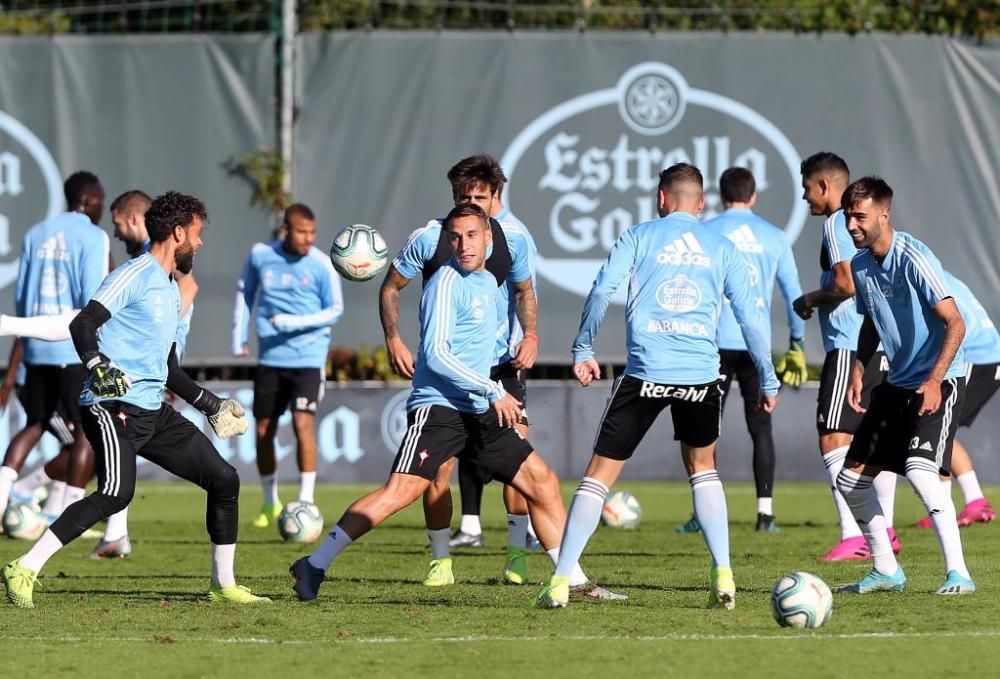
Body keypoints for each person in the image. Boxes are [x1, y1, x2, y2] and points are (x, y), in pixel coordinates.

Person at [1, 191, 268, 608]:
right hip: (111, 407)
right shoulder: (136, 274)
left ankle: (223, 584)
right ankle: (24, 566)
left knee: (225, 479)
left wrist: (210, 405)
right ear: (178, 233)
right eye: (197, 234)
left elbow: (169, 368)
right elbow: (84, 322)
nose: (200, 243)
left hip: (151, 412)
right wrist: (96, 364)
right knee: (115, 493)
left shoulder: (168, 286)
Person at [290, 204, 569, 602]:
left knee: (543, 482)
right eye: (455, 237)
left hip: (478, 407)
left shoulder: (490, 283)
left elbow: (481, 348)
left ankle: (571, 579)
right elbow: (436, 357)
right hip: (439, 407)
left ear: (489, 237)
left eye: (472, 235)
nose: (463, 245)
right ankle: (314, 564)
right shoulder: (446, 283)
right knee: (400, 492)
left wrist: (507, 371)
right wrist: (494, 391)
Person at [535, 163, 779, 610]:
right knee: (703, 469)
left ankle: (560, 580)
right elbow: (752, 318)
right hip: (701, 377)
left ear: (661, 199)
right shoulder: (721, 247)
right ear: (702, 203)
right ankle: (723, 573)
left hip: (646, 371)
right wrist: (767, 374)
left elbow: (601, 289)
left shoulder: (638, 236)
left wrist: (583, 347)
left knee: (598, 476)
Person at [380, 155, 549, 589]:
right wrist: (394, 339)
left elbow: (525, 291)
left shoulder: (514, 237)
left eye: (481, 197)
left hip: (501, 364)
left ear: (497, 196)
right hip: (450, 371)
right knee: (438, 470)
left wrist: (530, 336)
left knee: (521, 461)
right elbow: (391, 286)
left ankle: (517, 557)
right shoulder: (433, 238)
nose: (473, 203)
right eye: (463, 197)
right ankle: (440, 560)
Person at [837, 176, 973, 595]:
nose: (852, 225)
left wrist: (934, 381)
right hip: (896, 383)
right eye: (847, 217)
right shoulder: (860, 265)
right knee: (850, 481)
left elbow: (956, 323)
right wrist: (860, 365)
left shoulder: (913, 256)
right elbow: (870, 319)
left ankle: (959, 574)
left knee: (918, 470)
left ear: (884, 213)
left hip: (941, 377)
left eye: (859, 216)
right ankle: (886, 570)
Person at [676, 167, 805, 534]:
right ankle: (765, 513)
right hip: (756, 343)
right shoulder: (774, 236)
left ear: (719, 196)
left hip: (711, 343)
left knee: (704, 428)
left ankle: (702, 513)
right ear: (753, 196)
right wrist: (797, 342)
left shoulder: (706, 231)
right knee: (760, 427)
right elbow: (793, 294)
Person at [793, 153, 897, 561]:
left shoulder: (837, 222)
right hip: (880, 343)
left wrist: (810, 298)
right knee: (869, 440)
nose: (805, 199)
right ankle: (884, 531)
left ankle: (854, 536)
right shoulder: (868, 225)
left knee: (833, 434)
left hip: (851, 344)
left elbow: (845, 281)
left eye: (807, 189)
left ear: (823, 186)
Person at [0, 171, 109, 533]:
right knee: (89, 435)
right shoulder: (94, 236)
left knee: (34, 424)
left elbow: (21, 301)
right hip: (72, 349)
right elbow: (95, 302)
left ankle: (6, 495)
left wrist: (18, 360)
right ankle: (64, 515)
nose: (103, 208)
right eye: (102, 201)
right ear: (90, 200)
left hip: (34, 347)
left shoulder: (35, 233)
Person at [233, 204, 344, 528]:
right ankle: (270, 502)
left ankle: (306, 501)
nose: (308, 238)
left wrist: (292, 323)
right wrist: (238, 339)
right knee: (264, 431)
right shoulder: (260, 255)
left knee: (302, 424)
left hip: (308, 360)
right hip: (270, 359)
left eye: (313, 232)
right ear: (286, 229)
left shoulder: (322, 265)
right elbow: (245, 294)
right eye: (301, 232)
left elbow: (335, 310)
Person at [912, 272, 998, 528]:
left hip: (975, 357)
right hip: (987, 357)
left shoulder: (923, 278)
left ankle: (946, 507)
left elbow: (955, 325)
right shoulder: (940, 275)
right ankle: (972, 502)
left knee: (936, 429)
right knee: (941, 431)